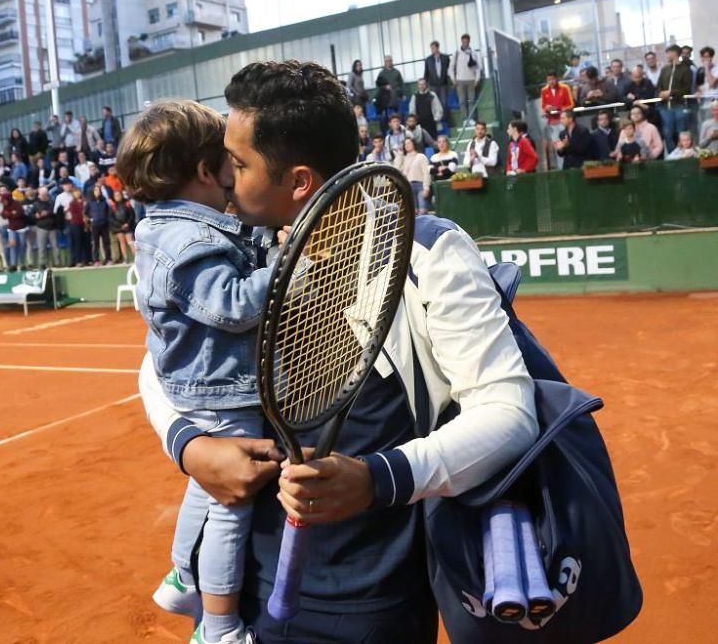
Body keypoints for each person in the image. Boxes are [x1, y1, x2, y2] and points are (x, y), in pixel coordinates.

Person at [139, 60, 537, 643]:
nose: (225, 176)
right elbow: (159, 362)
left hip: (369, 606)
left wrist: (380, 477)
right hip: (236, 585)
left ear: (298, 180)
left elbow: (509, 411)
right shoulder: (231, 246)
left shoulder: (429, 252)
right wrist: (191, 446)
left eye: (241, 163)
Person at [119, 99, 276, 644]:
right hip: (222, 392)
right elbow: (232, 304)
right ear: (208, 171)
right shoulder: (188, 241)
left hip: (204, 388)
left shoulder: (172, 230)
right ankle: (222, 627)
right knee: (231, 506)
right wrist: (292, 261)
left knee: (204, 492)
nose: (236, 175)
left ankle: (184, 579)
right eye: (229, 163)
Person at [657, 44, 694, 152]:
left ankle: (684, 154)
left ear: (675, 53)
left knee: (681, 132)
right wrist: (660, 93)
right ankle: (672, 155)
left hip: (680, 106)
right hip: (665, 107)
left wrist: (671, 93)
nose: (667, 55)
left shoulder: (686, 70)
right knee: (667, 133)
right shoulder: (664, 69)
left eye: (669, 52)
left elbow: (687, 89)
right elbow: (659, 86)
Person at [541, 71, 574, 170]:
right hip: (552, 122)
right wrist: (547, 108)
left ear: (557, 79)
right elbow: (543, 106)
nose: (551, 81)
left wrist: (559, 108)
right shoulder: (544, 90)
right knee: (557, 146)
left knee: (567, 143)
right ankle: (561, 168)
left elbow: (571, 104)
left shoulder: (565, 88)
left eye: (553, 79)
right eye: (549, 80)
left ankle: (571, 166)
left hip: (564, 121)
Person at [452, 33, 481, 121]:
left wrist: (477, 79)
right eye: (463, 41)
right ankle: (465, 119)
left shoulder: (474, 53)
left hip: (471, 80)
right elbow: (451, 67)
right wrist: (453, 79)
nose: (465, 43)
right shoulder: (457, 53)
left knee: (470, 100)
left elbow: (478, 67)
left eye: (467, 41)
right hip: (460, 80)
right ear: (461, 41)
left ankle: (471, 118)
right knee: (462, 101)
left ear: (469, 41)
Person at [400, 137, 432, 214]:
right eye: (405, 144)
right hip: (409, 187)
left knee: (422, 210)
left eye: (409, 143)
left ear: (414, 144)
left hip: (420, 186)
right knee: (413, 213)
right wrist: (399, 154)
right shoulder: (404, 158)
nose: (407, 145)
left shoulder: (421, 156)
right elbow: (397, 168)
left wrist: (426, 188)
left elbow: (426, 173)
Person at [423, 41, 451, 119]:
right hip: (433, 85)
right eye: (431, 48)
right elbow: (426, 72)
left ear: (437, 47)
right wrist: (425, 83)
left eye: (433, 48)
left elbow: (450, 70)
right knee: (434, 102)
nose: (432, 50)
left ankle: (445, 119)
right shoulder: (428, 59)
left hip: (443, 84)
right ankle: (437, 119)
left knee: (444, 102)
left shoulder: (445, 57)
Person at [374, 55, 404, 122]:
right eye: (387, 61)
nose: (389, 62)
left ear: (392, 61)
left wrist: (403, 94)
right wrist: (385, 87)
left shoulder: (397, 72)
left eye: (390, 61)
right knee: (385, 115)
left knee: (398, 113)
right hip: (386, 96)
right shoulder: (381, 73)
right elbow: (378, 85)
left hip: (396, 95)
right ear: (384, 62)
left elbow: (401, 84)